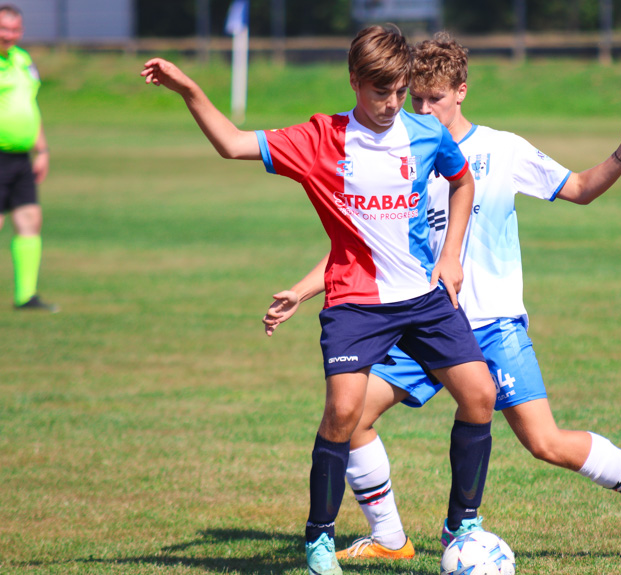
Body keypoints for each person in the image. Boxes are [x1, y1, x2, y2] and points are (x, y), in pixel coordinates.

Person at [264, 32, 621, 562]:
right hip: (420, 320)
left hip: (491, 325)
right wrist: (305, 292)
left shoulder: (501, 149)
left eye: (434, 99)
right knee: (348, 419)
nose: (422, 108)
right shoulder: (401, 150)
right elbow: (365, 249)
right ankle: (390, 539)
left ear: (461, 91)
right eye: (414, 97)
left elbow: (580, 187)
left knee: (545, 442)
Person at [141, 25, 499, 575]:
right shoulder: (318, 139)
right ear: (355, 81)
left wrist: (450, 254)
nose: (392, 104)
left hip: (424, 298)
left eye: (400, 91)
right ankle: (319, 539)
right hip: (356, 302)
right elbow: (233, 143)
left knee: (479, 395)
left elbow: (463, 182)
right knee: (342, 413)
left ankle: (463, 528)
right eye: (381, 91)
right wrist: (189, 88)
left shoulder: (425, 133)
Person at [0, 4, 57, 312]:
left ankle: (26, 296)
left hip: (22, 157)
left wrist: (42, 150)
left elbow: (29, 107)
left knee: (30, 220)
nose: (9, 35)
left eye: (14, 29)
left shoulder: (22, 60)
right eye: (3, 28)